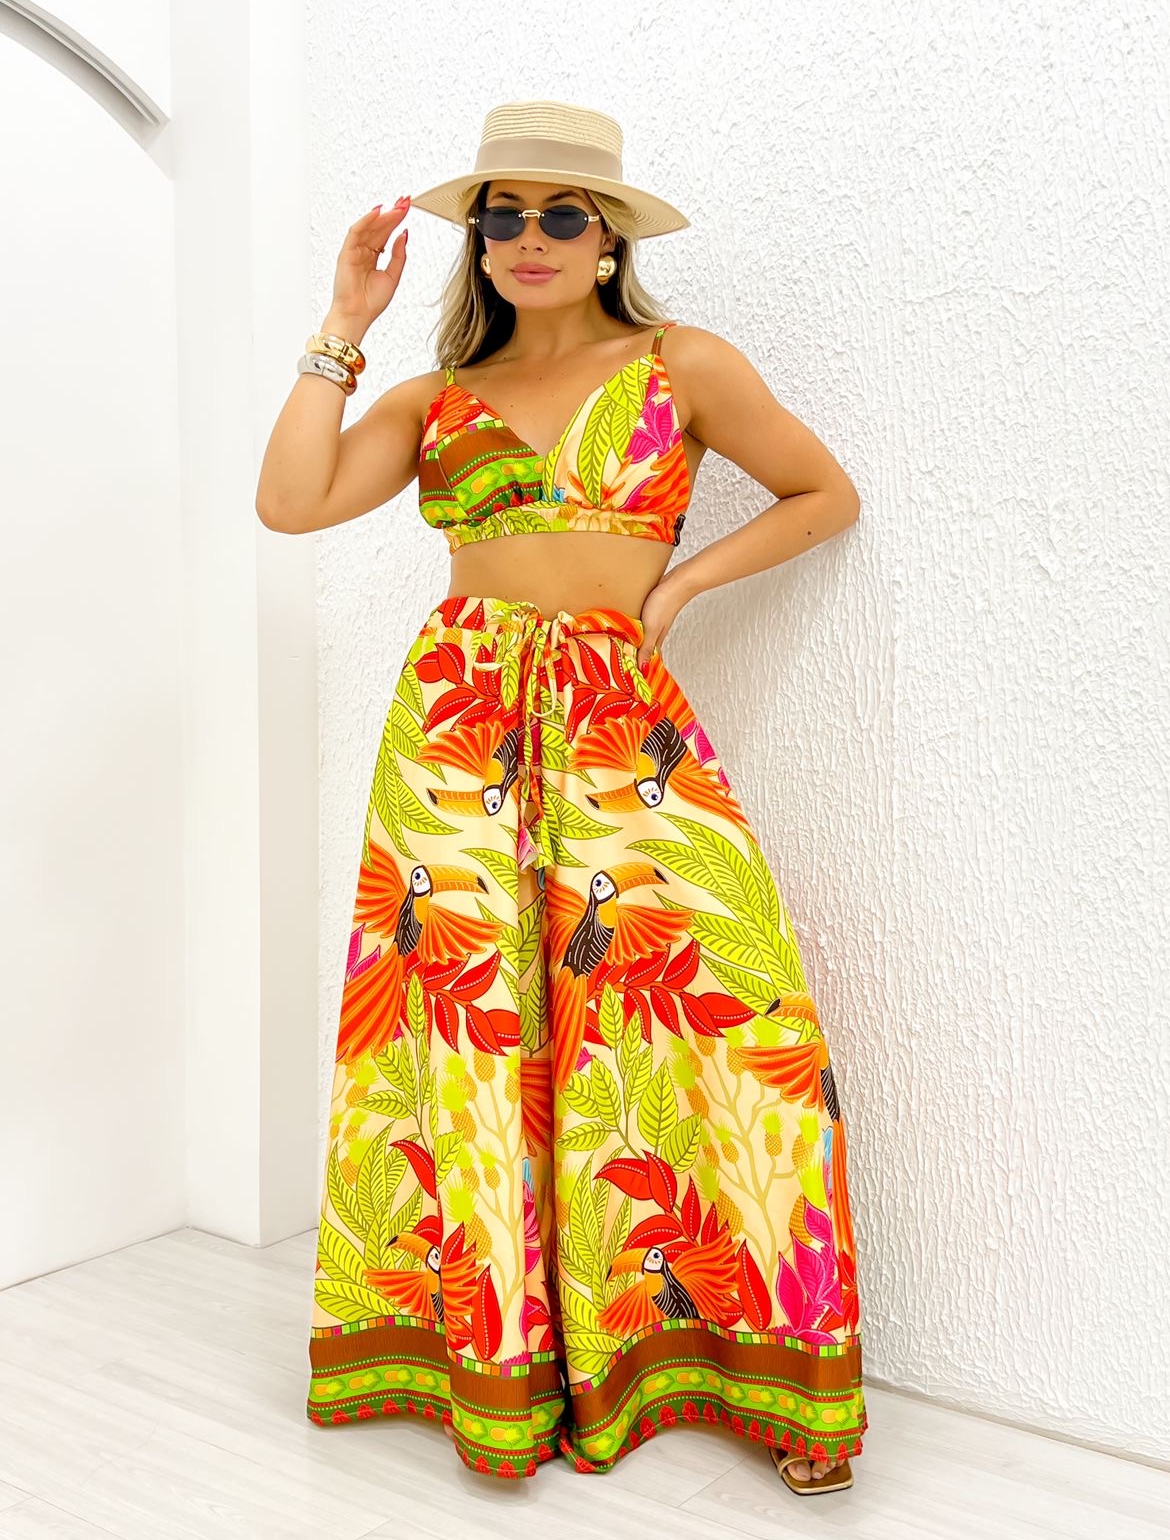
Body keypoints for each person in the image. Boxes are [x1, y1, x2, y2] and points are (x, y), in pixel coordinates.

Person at [256, 99, 867, 1496]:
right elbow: (291, 503)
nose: (528, 238)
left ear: (607, 241)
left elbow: (820, 493)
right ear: (480, 242)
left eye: (561, 215)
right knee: (468, 1028)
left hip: (613, 716)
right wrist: (342, 323)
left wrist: (683, 586)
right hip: (457, 725)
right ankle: (496, 1361)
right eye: (503, 216)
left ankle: (744, 1352)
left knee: (724, 1017)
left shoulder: (682, 363)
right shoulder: (433, 398)